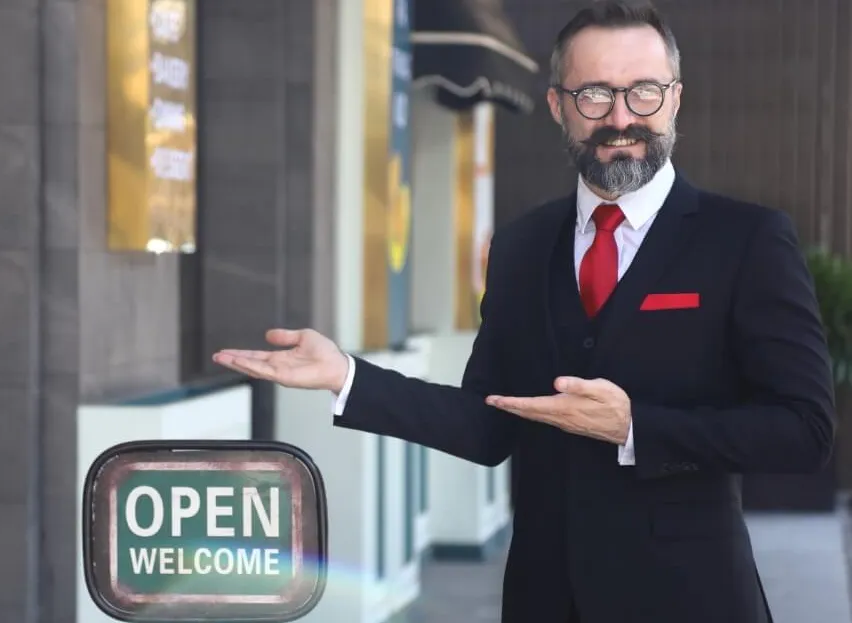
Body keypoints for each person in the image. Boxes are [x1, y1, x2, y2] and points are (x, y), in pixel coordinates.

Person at [212, 2, 835, 622]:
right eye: (594, 95)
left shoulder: (747, 240)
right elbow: (487, 425)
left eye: (643, 92)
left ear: (674, 98)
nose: (621, 117)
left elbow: (804, 430)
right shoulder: (520, 246)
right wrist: (347, 376)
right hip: (545, 598)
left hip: (692, 600)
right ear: (558, 105)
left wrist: (635, 428)